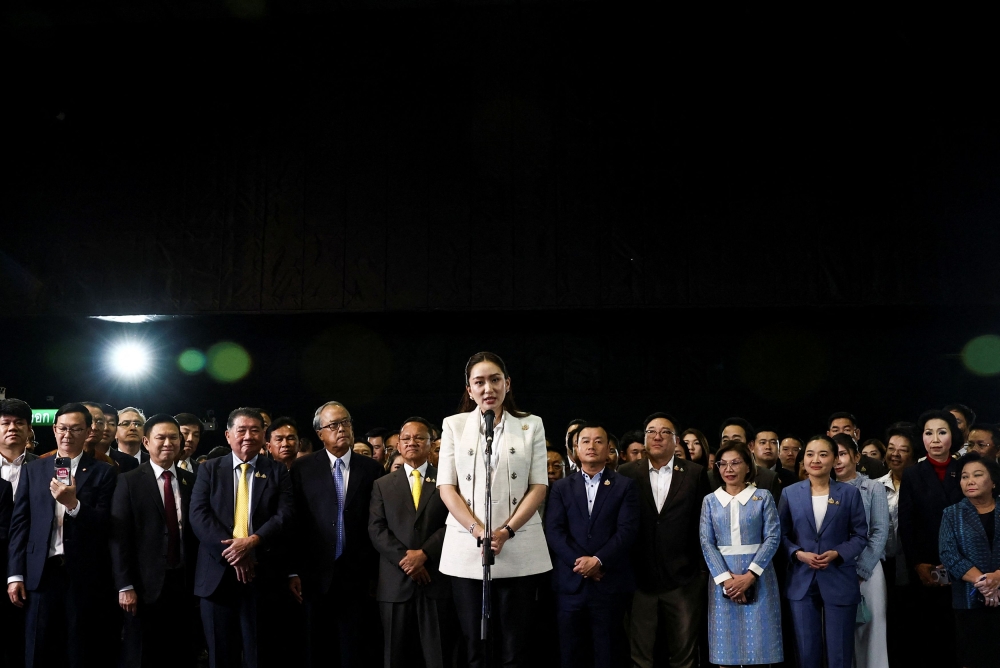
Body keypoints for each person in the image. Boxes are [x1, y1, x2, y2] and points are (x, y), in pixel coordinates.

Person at [437, 352, 552, 668]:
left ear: (507, 383)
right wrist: (477, 530)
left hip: (519, 546)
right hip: (467, 548)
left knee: (514, 647)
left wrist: (506, 531)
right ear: (469, 389)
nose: (488, 388)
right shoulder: (454, 425)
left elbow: (538, 486)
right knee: (475, 643)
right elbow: (446, 486)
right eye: (480, 382)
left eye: (495, 380)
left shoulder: (531, 425)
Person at [7, 402, 118, 668]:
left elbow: (107, 524)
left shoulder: (104, 472)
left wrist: (74, 505)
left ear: (88, 431)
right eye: (63, 428)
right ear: (54, 430)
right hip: (41, 573)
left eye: (76, 429)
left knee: (79, 649)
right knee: (38, 648)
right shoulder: (34, 470)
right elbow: (20, 524)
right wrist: (15, 574)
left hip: (83, 575)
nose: (68, 435)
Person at [189, 407, 293, 668]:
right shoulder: (210, 469)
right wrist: (234, 553)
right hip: (216, 575)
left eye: (255, 430)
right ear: (228, 435)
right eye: (241, 430)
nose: (248, 436)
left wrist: (253, 542)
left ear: (264, 435)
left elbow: (285, 515)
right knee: (221, 655)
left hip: (262, 575)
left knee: (260, 653)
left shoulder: (277, 471)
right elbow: (198, 515)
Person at [289, 400, 385, 668]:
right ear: (320, 433)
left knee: (353, 649)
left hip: (356, 575)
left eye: (345, 422)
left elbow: (376, 523)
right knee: (315, 648)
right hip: (313, 574)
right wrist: (293, 571)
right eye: (333, 425)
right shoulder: (302, 468)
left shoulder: (372, 469)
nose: (341, 428)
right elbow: (294, 523)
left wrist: (375, 574)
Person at [617, 412, 709, 668]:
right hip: (638, 579)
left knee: (684, 657)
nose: (657, 436)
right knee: (640, 657)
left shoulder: (695, 473)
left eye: (664, 432)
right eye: (651, 431)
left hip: (684, 579)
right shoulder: (625, 472)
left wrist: (701, 573)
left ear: (676, 439)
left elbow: (703, 524)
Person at [546, 422, 638, 668]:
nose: (591, 446)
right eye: (585, 441)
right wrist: (581, 563)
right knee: (570, 653)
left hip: (608, 582)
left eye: (598, 441)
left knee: (608, 653)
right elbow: (554, 531)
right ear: (575, 448)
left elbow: (626, 531)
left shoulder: (624, 485)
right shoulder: (561, 487)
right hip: (570, 583)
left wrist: (597, 561)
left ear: (609, 448)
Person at [110, 414, 198, 668]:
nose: (168, 443)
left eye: (174, 437)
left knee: (180, 652)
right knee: (142, 655)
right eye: (161, 437)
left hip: (184, 582)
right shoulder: (128, 481)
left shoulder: (192, 481)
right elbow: (119, 538)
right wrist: (125, 585)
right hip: (143, 585)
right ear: (147, 442)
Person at [368, 417, 455, 668]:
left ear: (431, 443)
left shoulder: (447, 481)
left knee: (439, 655)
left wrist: (424, 554)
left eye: (419, 438)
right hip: (395, 582)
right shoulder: (382, 484)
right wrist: (406, 560)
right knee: (395, 657)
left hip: (436, 578)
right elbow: (376, 529)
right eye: (405, 439)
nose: (411, 443)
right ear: (398, 445)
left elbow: (454, 523)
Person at [779, 434, 868, 668]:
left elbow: (860, 536)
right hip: (801, 577)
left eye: (823, 454)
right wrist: (798, 553)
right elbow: (780, 535)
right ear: (803, 459)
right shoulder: (790, 493)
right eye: (810, 454)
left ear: (834, 459)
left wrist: (838, 553)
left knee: (839, 654)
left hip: (838, 576)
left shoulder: (849, 493)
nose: (815, 459)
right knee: (806, 653)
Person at [699, 440, 783, 666]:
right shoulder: (710, 501)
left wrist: (750, 576)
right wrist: (727, 580)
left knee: (761, 648)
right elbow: (707, 542)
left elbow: (773, 537)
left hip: (760, 575)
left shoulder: (763, 497)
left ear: (748, 465)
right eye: (723, 464)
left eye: (735, 463)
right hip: (722, 581)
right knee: (726, 650)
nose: (728, 469)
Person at [898, 410, 965, 667]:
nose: (935, 439)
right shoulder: (914, 474)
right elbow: (906, 523)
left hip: (964, 564)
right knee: (929, 630)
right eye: (929, 433)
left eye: (942, 432)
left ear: (953, 436)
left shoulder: (965, 469)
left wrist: (960, 562)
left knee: (960, 631)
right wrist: (918, 564)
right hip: (927, 565)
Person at [938, 452, 1000, 668]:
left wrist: (998, 578)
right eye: (965, 476)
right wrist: (984, 583)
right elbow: (948, 554)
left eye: (977, 475)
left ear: (993, 481)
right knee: (973, 659)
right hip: (968, 599)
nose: (970, 481)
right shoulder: (952, 514)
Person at [833, 434, 889, 668]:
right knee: (838, 634)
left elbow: (879, 531)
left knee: (871, 630)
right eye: (832, 454)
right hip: (834, 569)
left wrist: (861, 570)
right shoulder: (823, 488)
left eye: (842, 454)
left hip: (868, 568)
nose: (837, 460)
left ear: (857, 457)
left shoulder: (873, 487)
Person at [875, 424, 918, 665]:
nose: (895, 454)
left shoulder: (921, 484)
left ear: (913, 454)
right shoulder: (875, 485)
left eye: (903, 450)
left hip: (913, 564)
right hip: (883, 564)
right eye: (891, 448)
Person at [0, 399, 28, 668]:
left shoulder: (46, 467)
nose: (12, 428)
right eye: (5, 423)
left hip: (29, 571)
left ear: (29, 430)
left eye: (19, 423)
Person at [713, 418, 782, 498]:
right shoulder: (711, 477)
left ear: (750, 445)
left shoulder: (768, 478)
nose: (730, 445)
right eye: (725, 440)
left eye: (736, 440)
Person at [826, 413, 888, 479]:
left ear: (857, 434)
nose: (841, 434)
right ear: (828, 435)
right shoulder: (823, 465)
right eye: (835, 430)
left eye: (847, 430)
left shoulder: (875, 466)